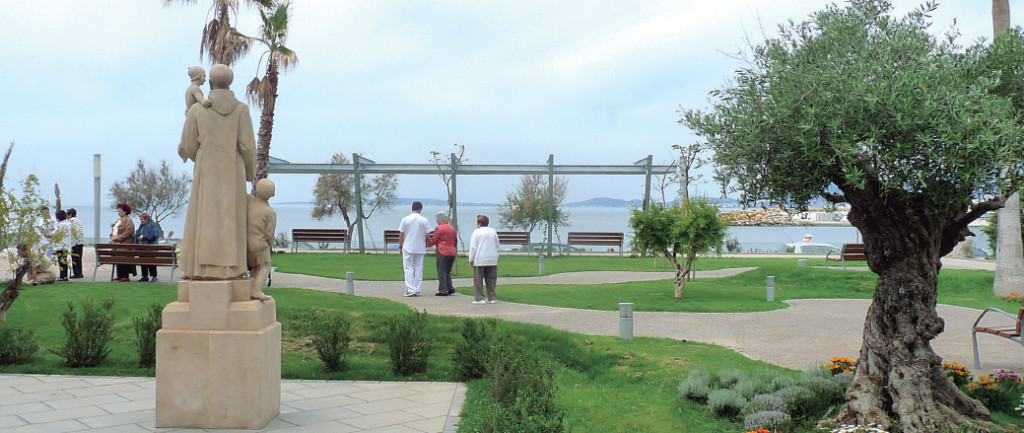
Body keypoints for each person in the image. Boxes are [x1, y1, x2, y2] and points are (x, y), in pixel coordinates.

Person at [178, 64, 256, 280]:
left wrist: (201, 157)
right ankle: (233, 268)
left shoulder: (196, 110)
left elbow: (187, 145)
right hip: (233, 167)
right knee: (231, 217)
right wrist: (249, 172)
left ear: (210, 82)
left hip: (207, 166)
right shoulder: (241, 109)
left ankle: (200, 269)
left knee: (204, 215)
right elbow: (248, 146)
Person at [246, 178, 277, 301]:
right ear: (273, 193)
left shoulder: (249, 203)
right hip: (259, 244)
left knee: (255, 267)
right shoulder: (270, 212)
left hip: (245, 244)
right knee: (265, 265)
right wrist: (269, 244)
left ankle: (250, 289)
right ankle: (256, 290)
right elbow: (269, 233)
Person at [398, 201, 430, 297]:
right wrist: (424, 240)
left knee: (408, 268)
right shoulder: (424, 220)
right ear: (420, 209)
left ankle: (410, 288)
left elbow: (401, 234)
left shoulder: (405, 219)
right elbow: (428, 234)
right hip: (420, 247)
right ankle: (417, 288)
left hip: (408, 247)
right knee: (419, 268)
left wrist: (400, 245)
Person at [468, 214, 500, 304]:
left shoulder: (477, 232)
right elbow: (497, 244)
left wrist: (471, 259)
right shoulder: (493, 231)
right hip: (492, 258)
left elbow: (473, 247)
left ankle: (479, 298)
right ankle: (492, 297)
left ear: (479, 223)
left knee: (478, 279)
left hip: (480, 258)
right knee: (491, 279)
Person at [425, 211, 457, 296]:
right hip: (452, 252)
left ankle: (443, 289)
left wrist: (426, 243)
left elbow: (434, 240)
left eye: (437, 220)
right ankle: (450, 287)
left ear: (439, 220)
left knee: (441, 271)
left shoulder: (439, 228)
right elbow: (455, 241)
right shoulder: (452, 228)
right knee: (447, 271)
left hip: (442, 252)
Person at [110, 202, 136, 282]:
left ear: (125, 211)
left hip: (125, 243)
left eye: (120, 211)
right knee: (118, 259)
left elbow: (128, 232)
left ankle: (125, 276)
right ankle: (119, 275)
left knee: (124, 259)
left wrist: (118, 238)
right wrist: (111, 236)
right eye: (118, 211)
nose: (118, 213)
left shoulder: (129, 220)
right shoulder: (119, 220)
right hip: (117, 245)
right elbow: (114, 229)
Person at [136, 212, 162, 282]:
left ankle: (154, 276)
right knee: (143, 261)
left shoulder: (153, 225)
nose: (141, 221)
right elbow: (138, 234)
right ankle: (144, 276)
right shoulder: (142, 225)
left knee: (151, 261)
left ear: (146, 219)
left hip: (151, 247)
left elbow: (155, 235)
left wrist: (144, 236)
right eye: (140, 220)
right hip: (143, 247)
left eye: (142, 219)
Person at [53, 209, 72, 281]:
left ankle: (62, 276)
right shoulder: (67, 224)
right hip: (66, 245)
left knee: (61, 261)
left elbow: (55, 233)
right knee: (64, 260)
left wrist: (49, 233)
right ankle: (64, 275)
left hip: (61, 246)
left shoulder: (61, 225)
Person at [66, 208, 85, 278]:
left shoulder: (70, 221)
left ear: (70, 215)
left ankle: (77, 273)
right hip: (81, 241)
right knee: (79, 258)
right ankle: (80, 272)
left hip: (75, 242)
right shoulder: (78, 220)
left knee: (75, 258)